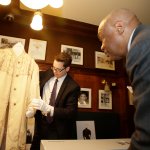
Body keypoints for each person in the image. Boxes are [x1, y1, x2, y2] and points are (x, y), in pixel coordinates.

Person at [98, 8, 150, 150]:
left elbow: (147, 133)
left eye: (102, 38)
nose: (102, 46)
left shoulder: (139, 47)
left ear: (119, 27)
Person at [30, 52, 80, 150]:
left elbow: (71, 112)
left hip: (57, 130)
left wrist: (49, 109)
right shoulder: (46, 74)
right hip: (40, 125)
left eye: (58, 69)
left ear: (67, 69)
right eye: (53, 67)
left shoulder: (73, 87)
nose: (54, 71)